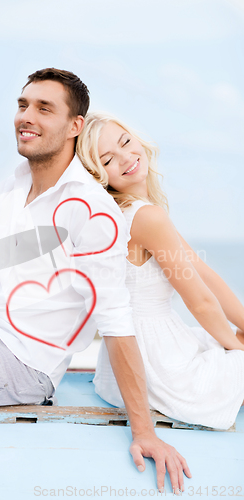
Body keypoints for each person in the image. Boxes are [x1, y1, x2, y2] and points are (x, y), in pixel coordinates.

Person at [0, 69, 190, 494]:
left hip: (20, 363)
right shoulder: (13, 186)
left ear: (74, 126)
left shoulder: (92, 212)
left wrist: (144, 432)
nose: (28, 116)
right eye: (23, 105)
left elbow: (116, 323)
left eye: (45, 108)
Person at [76, 111, 244, 432]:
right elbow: (201, 302)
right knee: (233, 346)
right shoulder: (147, 218)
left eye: (126, 142)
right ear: (98, 175)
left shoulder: (128, 212)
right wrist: (237, 347)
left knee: (234, 336)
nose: (126, 157)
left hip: (125, 363)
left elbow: (200, 269)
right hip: (157, 364)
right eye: (109, 159)